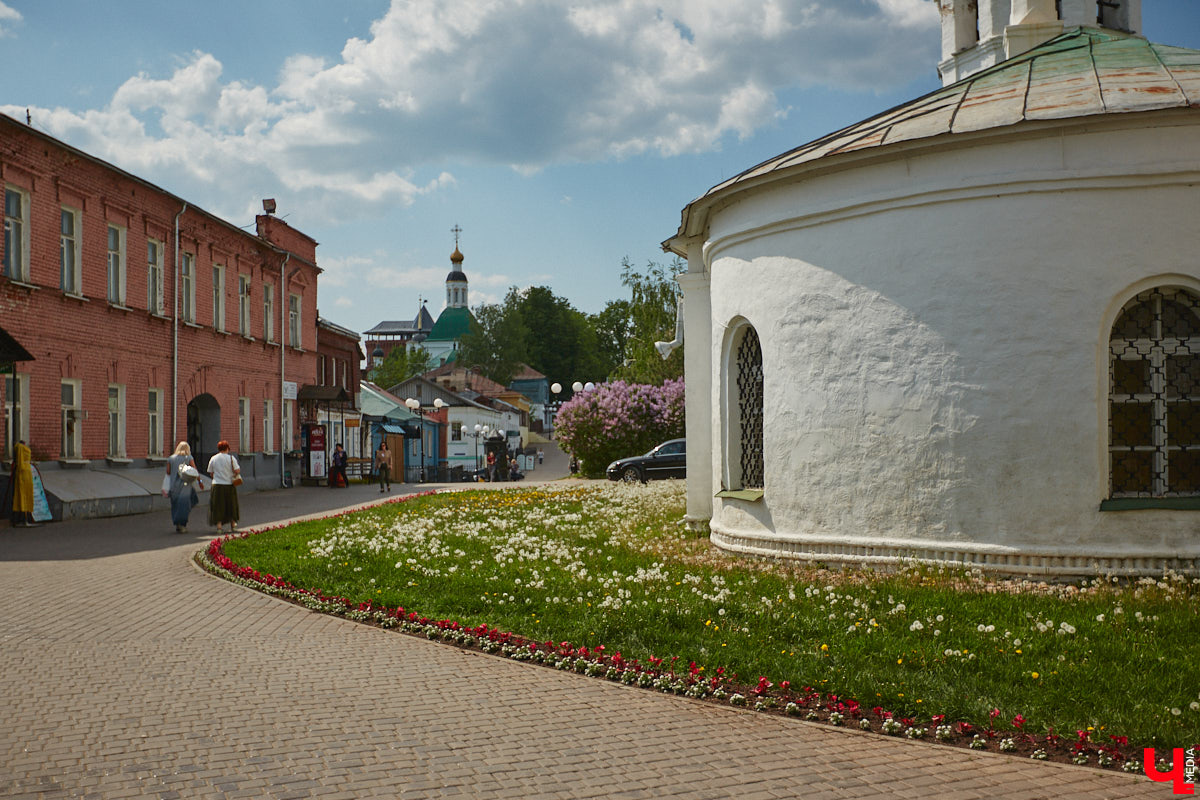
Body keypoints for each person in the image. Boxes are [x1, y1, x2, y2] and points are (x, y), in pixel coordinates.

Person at [165, 441, 202, 534]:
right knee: (185, 505)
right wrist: (200, 481)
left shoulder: (170, 458)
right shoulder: (188, 458)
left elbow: (168, 472)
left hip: (173, 486)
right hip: (185, 486)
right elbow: (194, 471)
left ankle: (177, 523)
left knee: (175, 505)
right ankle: (182, 525)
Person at [207, 440, 241, 534]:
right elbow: (237, 470)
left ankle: (219, 527)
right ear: (227, 448)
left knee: (218, 506)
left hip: (217, 485)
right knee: (231, 505)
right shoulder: (231, 458)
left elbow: (211, 473)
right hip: (229, 485)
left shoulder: (213, 458)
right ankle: (233, 525)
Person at [10, 439, 36, 527]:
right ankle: (23, 517)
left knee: (25, 494)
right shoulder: (21, 448)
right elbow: (20, 461)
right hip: (23, 472)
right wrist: (21, 470)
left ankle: (24, 516)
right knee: (23, 494)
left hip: (26, 471)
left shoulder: (20, 448)